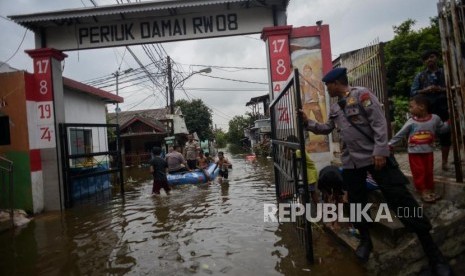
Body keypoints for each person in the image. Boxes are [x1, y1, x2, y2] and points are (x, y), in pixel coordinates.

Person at [300, 67, 452, 275]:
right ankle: (365, 241)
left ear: (336, 83)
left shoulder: (362, 95)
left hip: (376, 158)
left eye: (328, 85)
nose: (327, 89)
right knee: (356, 203)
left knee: (401, 200)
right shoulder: (336, 108)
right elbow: (326, 128)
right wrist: (308, 123)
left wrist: (381, 150)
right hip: (352, 163)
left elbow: (379, 123)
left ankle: (435, 257)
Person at [389, 95, 449, 203]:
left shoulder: (435, 118)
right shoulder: (411, 122)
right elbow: (400, 134)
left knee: (428, 172)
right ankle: (422, 191)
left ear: (421, 107)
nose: (409, 109)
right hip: (414, 153)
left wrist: (450, 122)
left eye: (411, 107)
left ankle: (430, 190)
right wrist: (389, 144)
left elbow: (442, 129)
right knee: (419, 172)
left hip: (428, 152)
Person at [411, 49, 451, 171]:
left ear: (437, 58)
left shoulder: (446, 73)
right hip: (427, 110)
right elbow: (413, 92)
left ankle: (444, 162)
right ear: (424, 62)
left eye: (432, 56)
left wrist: (441, 89)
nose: (430, 59)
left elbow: (454, 86)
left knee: (446, 136)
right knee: (426, 137)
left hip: (444, 107)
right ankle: (427, 164)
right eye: (427, 58)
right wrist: (426, 90)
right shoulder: (420, 76)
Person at [286, 135, 319, 204]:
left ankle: (306, 211)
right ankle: (318, 211)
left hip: (309, 174)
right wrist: (288, 147)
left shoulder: (298, 151)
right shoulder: (298, 150)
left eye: (288, 142)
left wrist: (288, 147)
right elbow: (288, 157)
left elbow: (288, 157)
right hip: (309, 173)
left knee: (306, 194)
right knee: (311, 193)